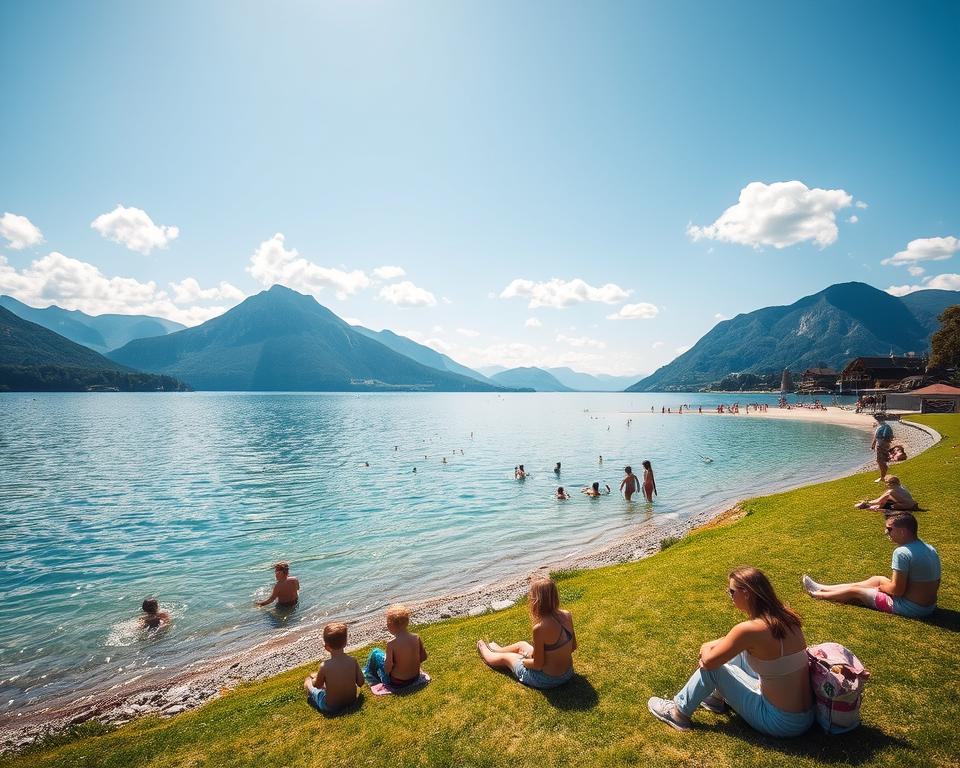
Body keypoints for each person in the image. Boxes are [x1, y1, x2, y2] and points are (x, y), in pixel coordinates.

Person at [648, 567, 814, 737]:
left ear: (747, 593)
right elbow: (733, 643)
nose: (730, 596)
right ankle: (714, 699)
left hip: (779, 721)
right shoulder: (787, 618)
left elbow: (709, 662)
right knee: (737, 652)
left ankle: (678, 713)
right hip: (806, 716)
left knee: (714, 669)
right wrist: (713, 644)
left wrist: (705, 647)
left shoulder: (749, 630)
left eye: (732, 591)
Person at [803, 513, 940, 618]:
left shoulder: (902, 553)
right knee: (877, 578)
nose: (886, 533)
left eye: (889, 529)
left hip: (911, 608)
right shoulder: (928, 548)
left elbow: (897, 590)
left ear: (903, 531)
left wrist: (881, 588)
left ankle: (819, 595)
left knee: (856, 591)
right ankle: (823, 587)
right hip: (928, 606)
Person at [477, 578, 575, 689]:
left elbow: (538, 665)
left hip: (547, 679)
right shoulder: (567, 615)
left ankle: (483, 647)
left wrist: (524, 661)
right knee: (522, 645)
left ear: (536, 601)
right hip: (567, 673)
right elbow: (573, 647)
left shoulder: (539, 628)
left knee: (507, 658)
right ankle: (496, 649)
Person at [303, 622, 364, 713]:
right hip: (352, 701)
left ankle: (311, 683)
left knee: (308, 682)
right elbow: (361, 682)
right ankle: (321, 677)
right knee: (330, 679)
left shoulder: (324, 666)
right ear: (345, 643)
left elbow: (318, 686)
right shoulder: (352, 661)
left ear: (327, 647)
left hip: (331, 706)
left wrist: (313, 680)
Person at [364, 604, 428, 688]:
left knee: (376, 653)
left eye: (387, 623)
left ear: (390, 625)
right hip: (415, 677)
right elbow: (423, 657)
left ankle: (369, 674)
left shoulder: (391, 644)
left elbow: (387, 669)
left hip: (398, 682)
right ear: (407, 622)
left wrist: (389, 661)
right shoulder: (416, 638)